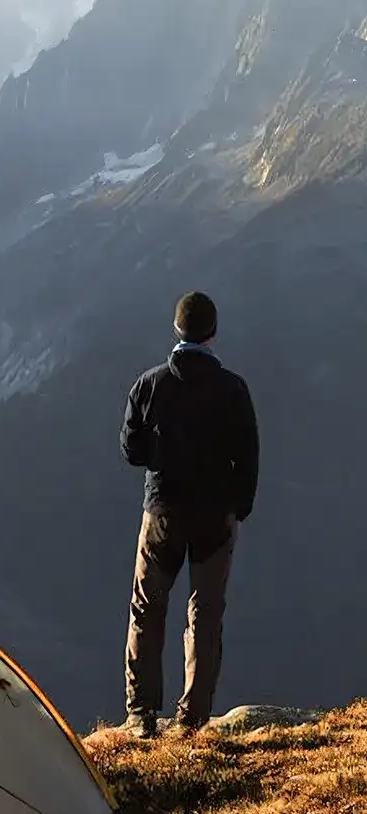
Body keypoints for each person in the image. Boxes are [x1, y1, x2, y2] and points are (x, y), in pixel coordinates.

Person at [120, 291, 259, 739]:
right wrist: (240, 506)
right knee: (205, 614)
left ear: (176, 331)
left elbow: (131, 450)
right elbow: (248, 455)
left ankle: (141, 715)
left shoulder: (150, 384)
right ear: (212, 333)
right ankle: (193, 718)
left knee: (148, 608)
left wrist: (161, 454)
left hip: (162, 512)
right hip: (215, 517)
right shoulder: (233, 389)